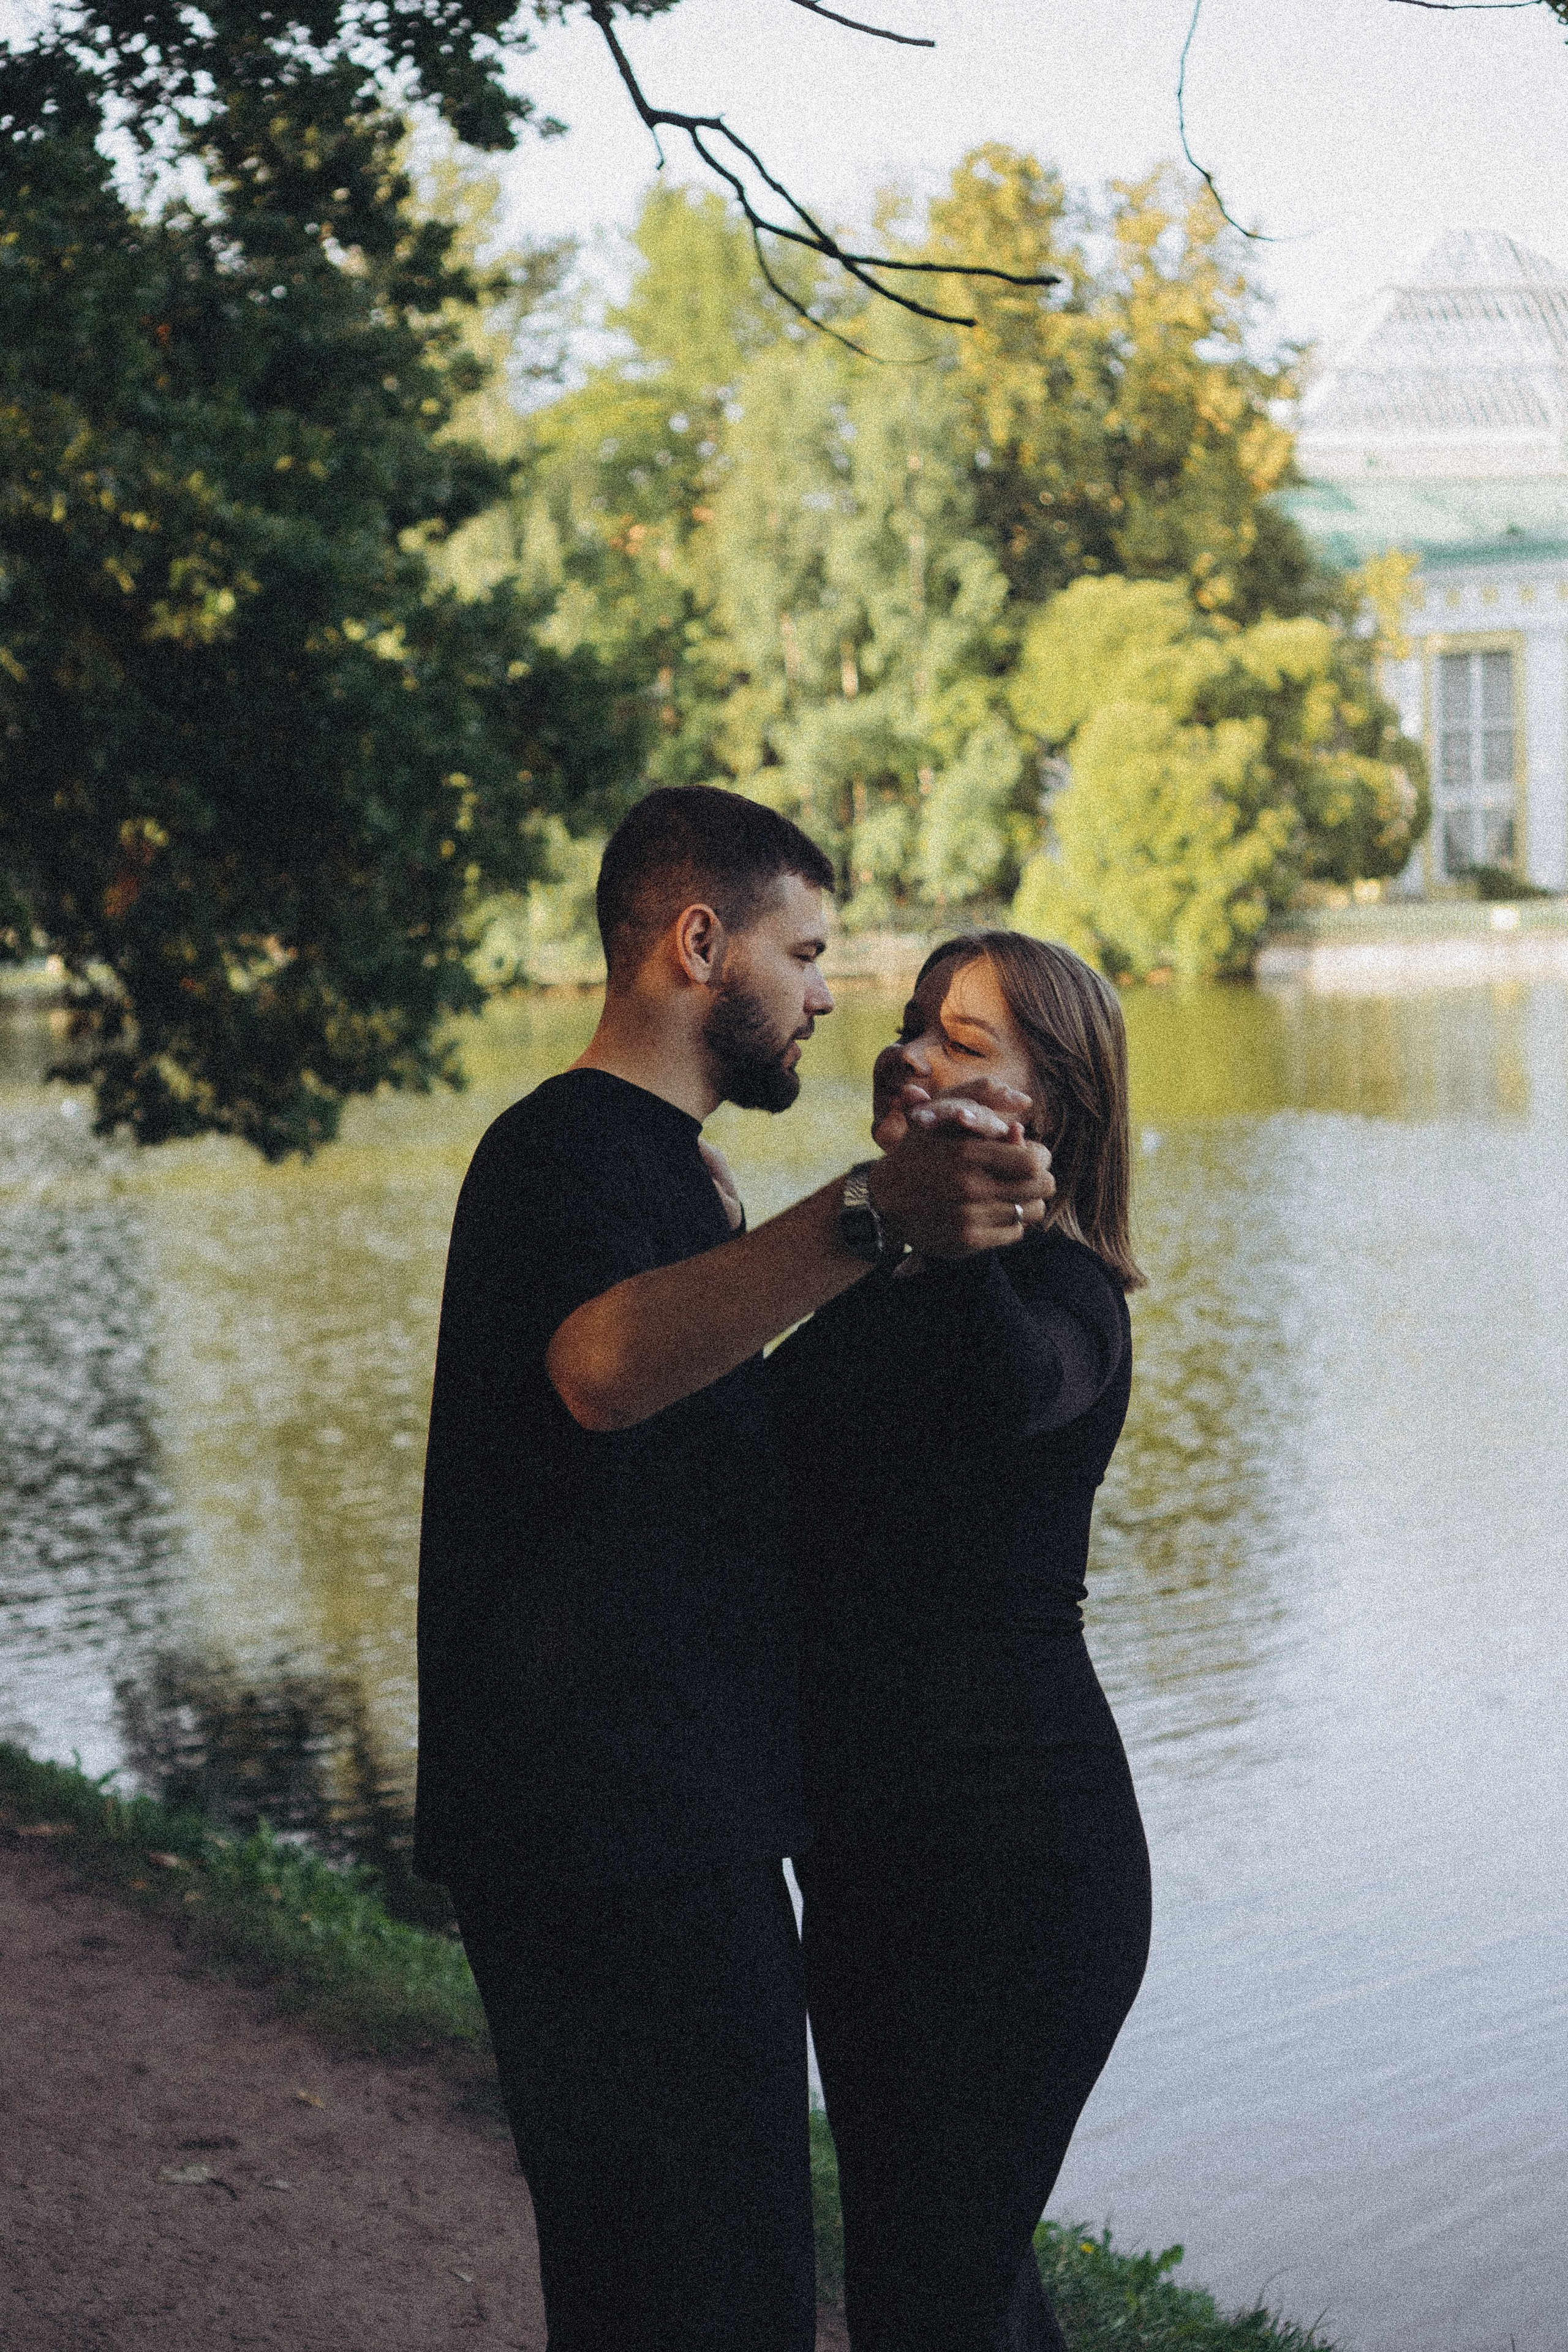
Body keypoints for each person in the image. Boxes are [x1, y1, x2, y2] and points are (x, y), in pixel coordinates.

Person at [413, 793, 1056, 2352]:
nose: (831, 996)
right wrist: (867, 1215)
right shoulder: (560, 1149)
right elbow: (600, 1368)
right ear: (700, 946)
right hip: (600, 1843)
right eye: (808, 952)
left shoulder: (674, 1172)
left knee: (719, 2282)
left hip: (669, 1824)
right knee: (694, 2296)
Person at [772, 930, 1152, 2352]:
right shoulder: (872, 1280)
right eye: (914, 1022)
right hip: (868, 1865)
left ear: (1047, 1106)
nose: (909, 1050)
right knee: (945, 2284)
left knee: (927, 2295)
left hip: (1020, 1876)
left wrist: (938, 1224)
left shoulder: (1067, 1304)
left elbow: (1012, 1397)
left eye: (962, 1041)